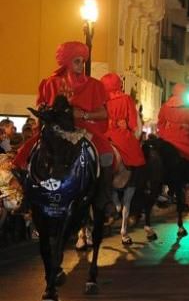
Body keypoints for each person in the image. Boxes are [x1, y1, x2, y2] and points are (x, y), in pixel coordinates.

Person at [13, 41, 114, 216]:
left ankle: (103, 198)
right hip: (55, 128)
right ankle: (27, 196)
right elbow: (42, 107)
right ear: (67, 62)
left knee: (106, 154)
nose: (81, 65)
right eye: (77, 61)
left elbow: (103, 113)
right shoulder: (50, 83)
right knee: (27, 153)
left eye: (83, 61)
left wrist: (83, 115)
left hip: (82, 128)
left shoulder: (94, 85)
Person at [100, 73, 145, 169]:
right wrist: (133, 130)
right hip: (120, 134)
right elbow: (133, 121)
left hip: (103, 133)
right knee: (136, 155)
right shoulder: (126, 99)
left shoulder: (101, 100)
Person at [157, 84, 189, 163]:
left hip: (167, 139)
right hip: (186, 142)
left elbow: (160, 124)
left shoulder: (165, 107)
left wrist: (164, 134)